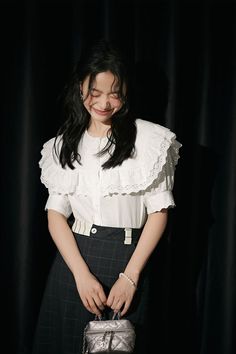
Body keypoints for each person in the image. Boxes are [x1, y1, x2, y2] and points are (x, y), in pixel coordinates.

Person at [32, 38, 182, 354]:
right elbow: (55, 214)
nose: (103, 103)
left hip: (127, 260)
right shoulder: (61, 145)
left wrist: (130, 276)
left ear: (126, 92)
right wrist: (81, 275)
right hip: (74, 261)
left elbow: (158, 212)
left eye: (114, 94)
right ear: (80, 88)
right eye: (95, 93)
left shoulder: (151, 140)